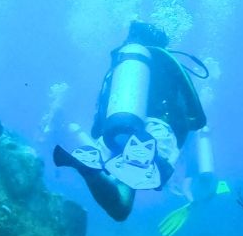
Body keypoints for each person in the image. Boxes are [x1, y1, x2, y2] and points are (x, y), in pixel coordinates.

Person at [53, 21, 209, 221]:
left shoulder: (118, 67)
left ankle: (89, 169)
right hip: (155, 130)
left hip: (116, 133)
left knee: (121, 209)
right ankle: (90, 168)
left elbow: (97, 121)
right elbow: (199, 119)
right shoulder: (167, 60)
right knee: (158, 174)